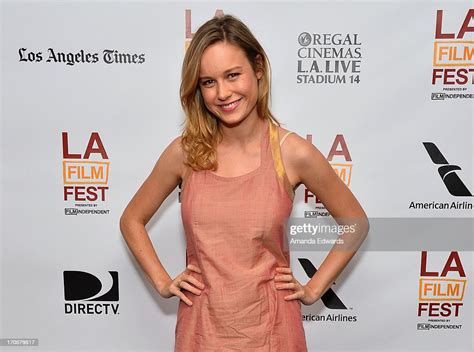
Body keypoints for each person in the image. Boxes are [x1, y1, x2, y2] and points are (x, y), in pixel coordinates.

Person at [120, 14, 369, 351]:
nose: (223, 93)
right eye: (208, 82)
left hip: (273, 332)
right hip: (201, 332)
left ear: (258, 69)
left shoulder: (292, 152)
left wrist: (313, 289)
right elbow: (131, 219)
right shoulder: (185, 153)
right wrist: (163, 282)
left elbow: (356, 223)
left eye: (233, 75)